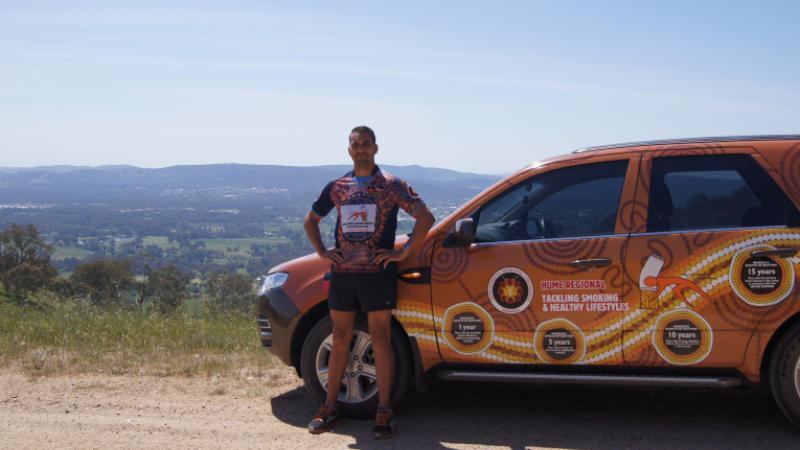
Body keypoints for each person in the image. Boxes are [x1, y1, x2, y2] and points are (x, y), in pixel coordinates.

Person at [303, 125, 435, 439]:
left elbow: (425, 218)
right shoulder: (337, 186)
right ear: (348, 150)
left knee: (379, 337)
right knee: (339, 338)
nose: (360, 149)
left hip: (378, 275)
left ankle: (384, 410)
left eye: (366, 144)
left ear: (376, 148)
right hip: (344, 275)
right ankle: (330, 406)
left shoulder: (391, 184)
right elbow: (311, 220)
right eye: (355, 144)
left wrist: (402, 253)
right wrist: (323, 252)